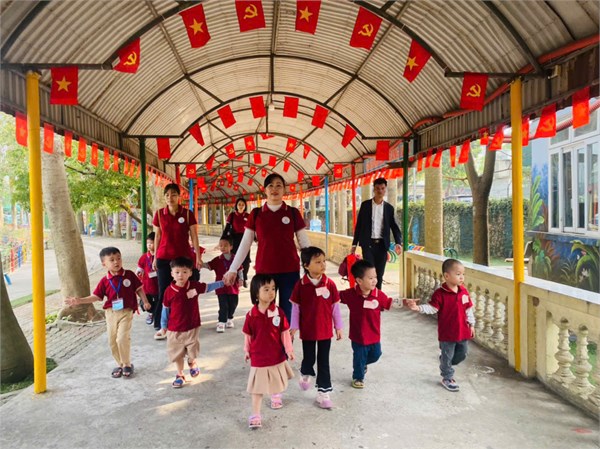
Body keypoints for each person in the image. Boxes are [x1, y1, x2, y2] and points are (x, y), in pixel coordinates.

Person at [223, 173, 310, 322]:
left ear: (284, 190)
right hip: (265, 271)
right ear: (265, 190)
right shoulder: (256, 214)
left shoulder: (292, 213)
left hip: (290, 271)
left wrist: (312, 268)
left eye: (279, 186)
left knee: (288, 311)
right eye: (271, 186)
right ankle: (269, 337)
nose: (274, 189)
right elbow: (245, 244)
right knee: (265, 311)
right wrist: (233, 269)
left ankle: (285, 337)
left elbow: (305, 243)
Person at [65, 247, 151, 379]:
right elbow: (96, 296)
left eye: (118, 258)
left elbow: (139, 289)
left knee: (122, 338)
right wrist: (79, 301)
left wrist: (145, 301)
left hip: (126, 311)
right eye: (112, 260)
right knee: (112, 341)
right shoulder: (105, 280)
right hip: (111, 313)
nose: (116, 262)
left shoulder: (129, 275)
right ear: (104, 264)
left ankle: (127, 364)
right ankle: (120, 364)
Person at [406, 258, 475, 392]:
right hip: (447, 334)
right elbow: (432, 308)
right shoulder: (440, 294)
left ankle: (445, 362)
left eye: (463, 274)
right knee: (448, 355)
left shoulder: (463, 292)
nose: (462, 277)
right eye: (458, 274)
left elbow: (468, 310)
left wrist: (472, 324)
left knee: (462, 354)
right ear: (447, 276)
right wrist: (418, 308)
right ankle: (447, 377)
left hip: (463, 331)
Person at [290, 247, 343, 409]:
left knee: (323, 361)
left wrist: (338, 326)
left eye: (324, 261)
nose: (323, 265)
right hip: (308, 331)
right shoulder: (300, 285)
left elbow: (335, 308)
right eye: (318, 262)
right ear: (306, 265)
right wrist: (294, 327)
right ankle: (305, 372)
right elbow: (296, 308)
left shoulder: (330, 284)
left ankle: (323, 393)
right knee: (309, 358)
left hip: (325, 331)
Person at [160, 257, 224, 388]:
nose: (180, 275)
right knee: (177, 354)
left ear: (190, 273)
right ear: (172, 273)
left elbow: (208, 287)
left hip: (192, 326)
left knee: (192, 350)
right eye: (177, 272)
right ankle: (180, 374)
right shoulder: (169, 291)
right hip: (174, 329)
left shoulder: (194, 286)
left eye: (184, 272)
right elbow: (165, 309)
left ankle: (191, 361)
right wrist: (163, 326)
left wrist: (222, 283)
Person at [243, 274, 295, 429]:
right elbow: (248, 335)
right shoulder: (251, 315)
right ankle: (256, 414)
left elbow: (284, 333)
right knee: (257, 388)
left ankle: (276, 395)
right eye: (266, 289)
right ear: (256, 293)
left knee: (276, 380)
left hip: (276, 355)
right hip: (258, 357)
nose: (271, 292)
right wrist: (246, 350)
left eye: (273, 288)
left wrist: (289, 350)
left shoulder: (279, 312)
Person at [152, 183, 202, 341]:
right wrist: (154, 257)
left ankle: (186, 320)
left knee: (186, 290)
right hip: (164, 257)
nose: (170, 197)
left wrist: (198, 257)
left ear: (179, 196)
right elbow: (157, 236)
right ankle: (162, 324)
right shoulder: (159, 214)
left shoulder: (187, 214)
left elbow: (194, 236)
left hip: (183, 259)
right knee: (164, 291)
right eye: (167, 195)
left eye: (173, 194)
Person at [339, 259, 392, 389]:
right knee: (359, 356)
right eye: (370, 278)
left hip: (374, 335)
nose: (374, 281)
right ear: (359, 280)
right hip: (358, 336)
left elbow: (389, 303)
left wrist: (405, 302)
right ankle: (358, 377)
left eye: (375, 277)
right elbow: (336, 296)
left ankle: (362, 363)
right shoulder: (351, 294)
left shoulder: (378, 295)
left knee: (376, 355)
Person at [351, 177, 402, 290]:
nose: (380, 191)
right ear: (374, 189)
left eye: (382, 188)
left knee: (379, 274)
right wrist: (354, 244)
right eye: (377, 188)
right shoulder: (365, 205)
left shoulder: (389, 208)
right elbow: (359, 225)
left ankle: (377, 296)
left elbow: (394, 226)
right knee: (369, 273)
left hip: (382, 246)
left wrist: (398, 242)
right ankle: (368, 295)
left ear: (385, 190)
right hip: (368, 244)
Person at [204, 237, 244, 333]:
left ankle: (229, 318)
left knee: (233, 304)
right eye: (221, 245)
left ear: (231, 247)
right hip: (221, 288)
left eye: (225, 245)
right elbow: (209, 265)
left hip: (233, 287)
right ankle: (221, 322)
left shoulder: (236, 259)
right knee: (223, 305)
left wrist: (241, 279)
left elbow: (240, 270)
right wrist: (200, 264)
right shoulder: (217, 260)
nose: (222, 247)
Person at [223, 198, 251, 287]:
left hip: (246, 239)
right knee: (234, 258)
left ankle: (244, 278)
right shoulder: (232, 215)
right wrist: (223, 239)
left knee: (246, 260)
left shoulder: (248, 216)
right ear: (236, 206)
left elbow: (253, 229)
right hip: (234, 240)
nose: (241, 206)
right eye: (239, 204)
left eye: (243, 205)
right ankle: (235, 277)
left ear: (245, 206)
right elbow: (227, 228)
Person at [136, 232, 159, 327]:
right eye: (147, 243)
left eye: (151, 243)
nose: (149, 245)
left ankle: (156, 314)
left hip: (157, 286)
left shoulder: (160, 257)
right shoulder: (144, 257)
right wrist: (138, 272)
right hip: (147, 285)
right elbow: (140, 268)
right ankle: (151, 313)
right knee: (145, 302)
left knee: (158, 302)